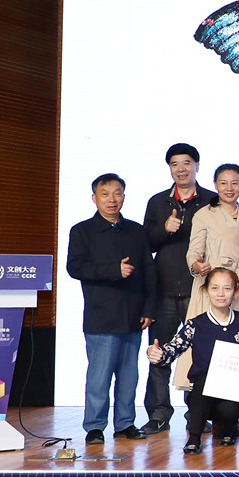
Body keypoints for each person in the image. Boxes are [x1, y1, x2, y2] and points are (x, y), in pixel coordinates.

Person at [67, 173, 155, 445]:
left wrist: (149, 309)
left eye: (117, 193)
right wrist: (113, 270)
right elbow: (75, 267)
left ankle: (125, 423)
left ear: (124, 197)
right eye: (105, 194)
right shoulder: (82, 231)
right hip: (101, 315)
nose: (112, 199)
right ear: (94, 198)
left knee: (129, 376)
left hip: (133, 314)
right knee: (99, 376)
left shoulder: (136, 230)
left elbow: (149, 272)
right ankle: (95, 427)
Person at [141, 143, 214, 434]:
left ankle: (199, 414)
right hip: (164, 291)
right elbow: (145, 244)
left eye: (186, 163)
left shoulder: (211, 200)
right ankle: (159, 414)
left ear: (197, 165)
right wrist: (164, 229)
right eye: (175, 164)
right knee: (159, 352)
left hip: (200, 290)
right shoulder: (157, 202)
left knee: (201, 355)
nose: (181, 169)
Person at [147, 267, 239, 455]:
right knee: (205, 380)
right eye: (215, 288)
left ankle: (228, 427)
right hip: (202, 396)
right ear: (206, 291)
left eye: (227, 288)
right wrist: (156, 353)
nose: (221, 294)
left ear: (235, 291)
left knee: (230, 408)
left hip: (233, 394)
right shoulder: (196, 324)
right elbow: (172, 349)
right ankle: (194, 437)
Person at [180, 163, 239, 390]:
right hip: (212, 282)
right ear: (215, 185)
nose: (229, 188)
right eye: (223, 183)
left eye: (234, 183)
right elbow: (193, 251)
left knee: (236, 343)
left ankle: (231, 402)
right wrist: (197, 266)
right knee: (205, 342)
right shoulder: (205, 214)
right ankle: (198, 399)